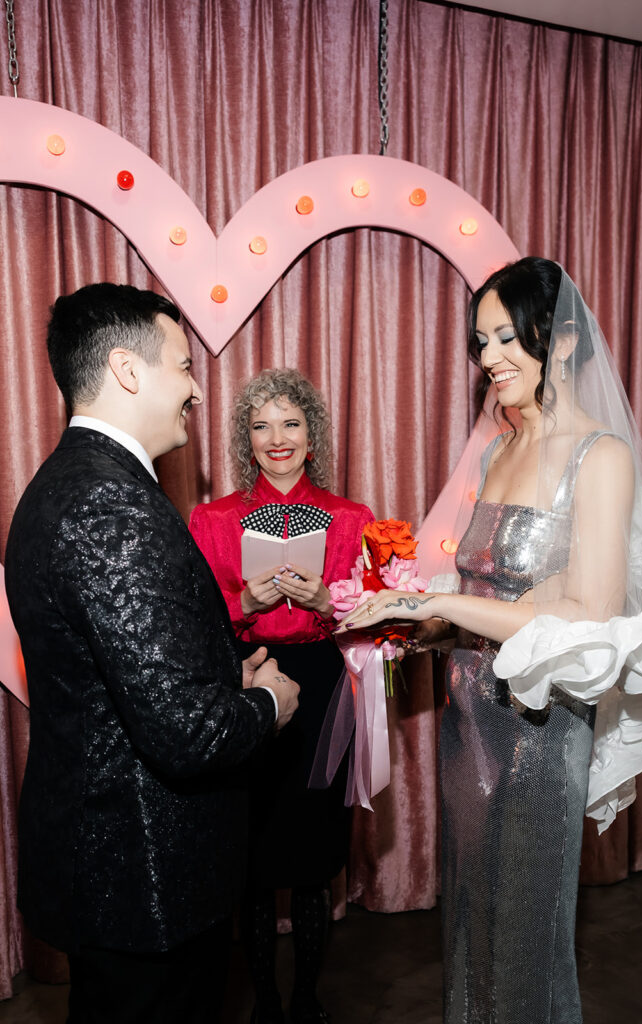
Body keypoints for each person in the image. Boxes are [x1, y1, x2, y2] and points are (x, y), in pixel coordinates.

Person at [335, 258, 642, 1023]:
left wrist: (440, 598)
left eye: (502, 336)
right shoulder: (497, 449)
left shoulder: (601, 457)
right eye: (479, 340)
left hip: (539, 727)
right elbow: (492, 599)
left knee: (525, 929)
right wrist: (416, 625)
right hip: (468, 719)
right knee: (468, 917)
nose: (487, 356)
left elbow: (588, 611)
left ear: (558, 341)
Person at [4, 284, 300, 1024]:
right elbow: (184, 733)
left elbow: (113, 672)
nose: (197, 389)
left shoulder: (67, 484)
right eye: (183, 366)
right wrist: (265, 704)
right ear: (127, 370)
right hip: (142, 872)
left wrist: (217, 673)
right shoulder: (111, 505)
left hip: (106, 860)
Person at [189, 368, 373, 1024]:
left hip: (324, 685)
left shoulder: (351, 517)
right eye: (261, 425)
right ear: (246, 438)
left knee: (316, 850)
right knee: (257, 854)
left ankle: (305, 1001)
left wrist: (331, 603)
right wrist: (243, 602)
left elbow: (372, 619)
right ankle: (265, 1003)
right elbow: (189, 623)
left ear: (311, 435)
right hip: (250, 678)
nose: (277, 438)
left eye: (289, 423)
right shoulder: (210, 519)